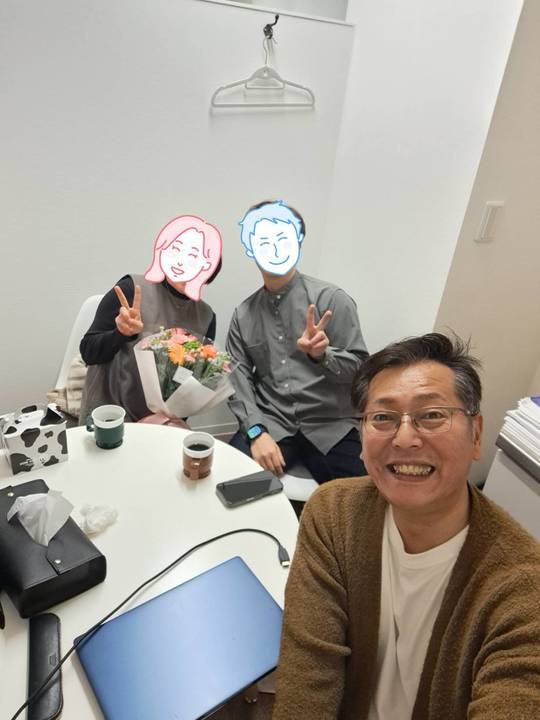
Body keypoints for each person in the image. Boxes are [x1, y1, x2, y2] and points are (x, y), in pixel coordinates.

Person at [272, 332, 540, 719]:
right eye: (383, 418)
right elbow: (308, 676)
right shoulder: (334, 514)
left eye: (432, 415)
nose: (405, 438)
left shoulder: (523, 587)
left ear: (476, 434)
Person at [226, 200, 369, 484]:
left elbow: (361, 373)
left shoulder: (331, 299)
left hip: (331, 424)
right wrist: (255, 432)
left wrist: (324, 355)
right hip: (272, 422)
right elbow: (237, 380)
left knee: (363, 495)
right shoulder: (243, 315)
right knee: (230, 483)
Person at [79, 215, 222, 423]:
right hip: (109, 414)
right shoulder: (131, 289)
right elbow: (88, 352)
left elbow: (192, 385)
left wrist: (168, 417)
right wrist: (120, 333)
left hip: (161, 421)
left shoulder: (206, 317)